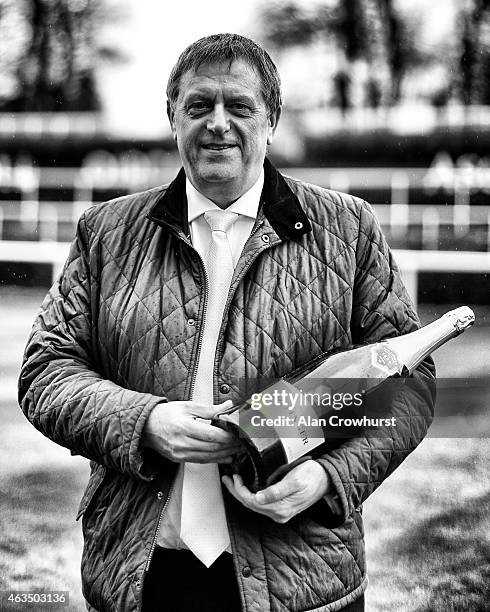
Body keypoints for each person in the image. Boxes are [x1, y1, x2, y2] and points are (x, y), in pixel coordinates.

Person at [18, 33, 435, 612]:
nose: (218, 123)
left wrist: (329, 479)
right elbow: (45, 372)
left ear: (272, 119)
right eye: (198, 106)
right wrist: (145, 423)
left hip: (301, 572)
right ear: (172, 116)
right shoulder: (106, 233)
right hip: (140, 576)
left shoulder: (349, 228)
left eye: (239, 106)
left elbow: (407, 381)